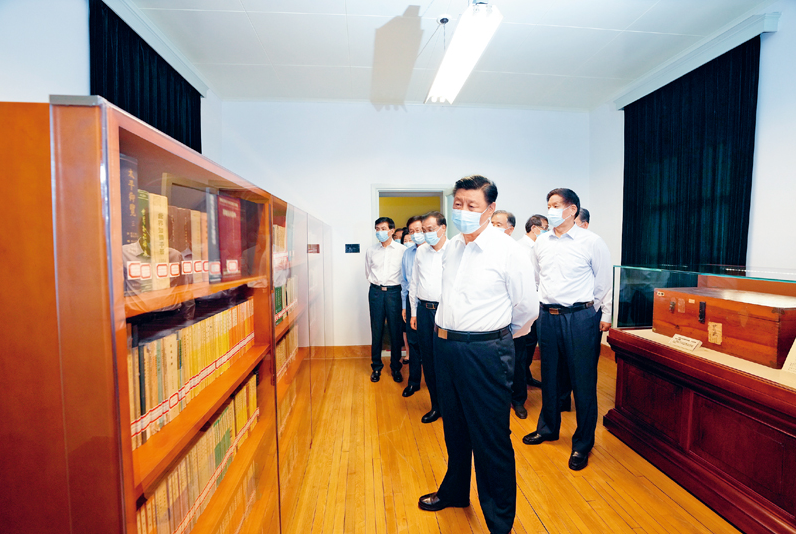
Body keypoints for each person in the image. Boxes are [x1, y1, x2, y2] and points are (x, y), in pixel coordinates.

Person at [418, 175, 538, 534]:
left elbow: (526, 309)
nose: (463, 211)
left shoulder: (508, 251)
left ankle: (499, 522)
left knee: (490, 437)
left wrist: (492, 336)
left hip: (485, 351)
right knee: (454, 428)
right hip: (446, 346)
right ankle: (455, 491)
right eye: (458, 204)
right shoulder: (453, 246)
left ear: (490, 209)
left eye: (472, 205)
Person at [522, 189, 611, 472]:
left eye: (556, 205)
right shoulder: (541, 242)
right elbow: (537, 278)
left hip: (580, 317)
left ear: (572, 210)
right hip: (547, 316)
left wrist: (590, 312)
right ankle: (548, 428)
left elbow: (603, 283)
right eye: (548, 205)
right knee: (549, 376)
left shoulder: (591, 241)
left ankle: (583, 443)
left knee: (582, 381)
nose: (550, 210)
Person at [408, 211, 447, 423]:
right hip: (423, 310)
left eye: (430, 229)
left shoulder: (455, 250)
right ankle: (436, 406)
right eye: (424, 230)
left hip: (445, 311)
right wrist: (414, 312)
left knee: (447, 360)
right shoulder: (421, 251)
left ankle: (451, 407)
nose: (426, 234)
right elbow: (414, 282)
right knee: (429, 360)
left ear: (443, 228)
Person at [490, 210, 529, 419]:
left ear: (510, 229)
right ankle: (499, 400)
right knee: (495, 365)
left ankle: (519, 400)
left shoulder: (518, 252)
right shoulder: (485, 250)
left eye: (498, 224)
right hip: (492, 324)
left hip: (514, 323)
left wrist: (516, 328)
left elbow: (524, 297)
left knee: (518, 363)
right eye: (491, 223)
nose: (493, 227)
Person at [365, 217, 406, 383]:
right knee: (377, 330)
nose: (379, 232)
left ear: (391, 231)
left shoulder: (402, 250)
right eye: (377, 229)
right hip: (375, 292)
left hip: (394, 293)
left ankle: (396, 367)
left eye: (383, 228)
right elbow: (368, 271)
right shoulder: (371, 250)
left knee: (395, 330)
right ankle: (376, 367)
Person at [518, 215, 548, 389]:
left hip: (540, 301)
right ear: (534, 228)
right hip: (526, 301)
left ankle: (525, 375)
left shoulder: (541, 246)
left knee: (533, 340)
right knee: (526, 342)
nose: (547, 231)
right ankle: (519, 382)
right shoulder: (519, 247)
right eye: (545, 228)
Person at [400, 215, 425, 395]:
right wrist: (404, 306)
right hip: (411, 302)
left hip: (431, 304)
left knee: (433, 345)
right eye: (411, 231)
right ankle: (414, 382)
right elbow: (404, 281)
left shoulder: (435, 251)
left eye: (419, 230)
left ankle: (437, 384)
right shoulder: (407, 254)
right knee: (413, 342)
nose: (415, 234)